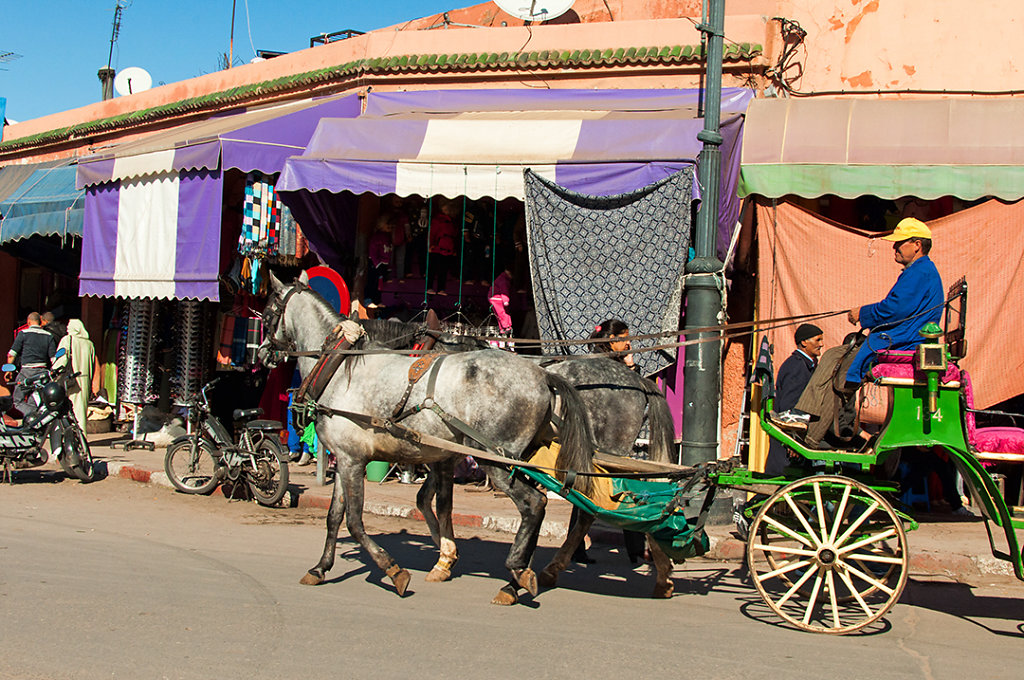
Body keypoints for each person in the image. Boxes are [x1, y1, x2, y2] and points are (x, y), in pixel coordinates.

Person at [570, 318, 646, 565]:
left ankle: (575, 548)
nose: (628, 343)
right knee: (621, 487)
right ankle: (635, 549)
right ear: (612, 340)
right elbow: (629, 395)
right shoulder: (604, 366)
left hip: (603, 436)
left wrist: (630, 364)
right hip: (603, 437)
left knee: (587, 490)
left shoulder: (609, 362)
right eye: (625, 338)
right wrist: (631, 368)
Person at [844, 217, 944, 384]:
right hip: (905, 337)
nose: (894, 247)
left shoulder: (920, 272)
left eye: (899, 242)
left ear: (917, 245)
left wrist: (862, 313)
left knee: (842, 369)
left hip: (905, 341)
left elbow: (894, 309)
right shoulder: (921, 270)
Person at [765, 323, 823, 475]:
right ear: (804, 342)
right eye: (817, 340)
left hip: (793, 438)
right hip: (789, 439)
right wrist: (793, 441)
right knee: (780, 482)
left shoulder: (805, 365)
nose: (821, 344)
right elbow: (789, 406)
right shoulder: (797, 366)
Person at [6, 312, 57, 417]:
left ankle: (33, 416)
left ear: (28, 321)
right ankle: (33, 421)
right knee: (34, 399)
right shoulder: (48, 336)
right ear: (40, 322)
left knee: (18, 401)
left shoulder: (23, 333)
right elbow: (53, 359)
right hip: (42, 373)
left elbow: (11, 355)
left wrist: (8, 370)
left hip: (26, 373)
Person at [52, 319, 99, 429]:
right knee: (81, 410)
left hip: (71, 379)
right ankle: (81, 435)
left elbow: (61, 360)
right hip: (85, 379)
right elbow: (92, 364)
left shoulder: (68, 339)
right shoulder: (89, 344)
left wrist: (54, 372)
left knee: (66, 408)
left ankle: (68, 434)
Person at [427, 198, 458, 296]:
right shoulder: (437, 219)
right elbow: (432, 233)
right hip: (437, 247)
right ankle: (429, 287)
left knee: (443, 270)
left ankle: (441, 288)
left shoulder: (453, 221)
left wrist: (454, 249)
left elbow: (454, 235)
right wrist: (430, 244)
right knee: (432, 268)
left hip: (448, 248)